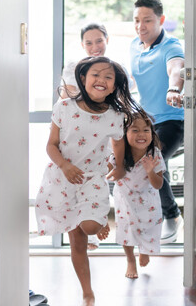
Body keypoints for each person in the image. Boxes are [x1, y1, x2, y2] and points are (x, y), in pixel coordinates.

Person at [35, 56, 140, 306]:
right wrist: (65, 165)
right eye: (96, 74)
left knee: (91, 228)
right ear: (83, 78)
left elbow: (118, 141)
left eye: (108, 77)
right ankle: (87, 292)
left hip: (92, 178)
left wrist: (119, 166)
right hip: (63, 177)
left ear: (114, 86)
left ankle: (98, 218)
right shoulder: (64, 107)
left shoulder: (115, 115)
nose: (101, 80)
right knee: (77, 240)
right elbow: (50, 145)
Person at [58, 23, 128, 250]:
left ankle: (96, 221)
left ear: (107, 40)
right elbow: (66, 93)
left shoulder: (116, 69)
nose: (94, 46)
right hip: (78, 131)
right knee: (76, 179)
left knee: (99, 175)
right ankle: (87, 230)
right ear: (82, 45)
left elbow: (122, 100)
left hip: (105, 129)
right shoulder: (74, 67)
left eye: (99, 41)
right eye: (89, 42)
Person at [128, 0, 184, 244]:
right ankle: (156, 218)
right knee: (155, 162)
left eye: (147, 20)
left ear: (161, 20)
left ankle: (172, 215)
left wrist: (174, 89)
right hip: (146, 121)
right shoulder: (134, 46)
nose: (141, 26)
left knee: (151, 158)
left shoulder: (171, 46)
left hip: (173, 120)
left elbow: (177, 68)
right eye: (137, 20)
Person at [107, 111, 165, 279]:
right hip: (125, 199)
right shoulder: (119, 154)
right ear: (124, 134)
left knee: (149, 227)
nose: (141, 135)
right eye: (135, 130)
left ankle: (145, 250)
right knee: (127, 230)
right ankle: (130, 260)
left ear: (152, 134)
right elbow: (108, 170)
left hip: (149, 200)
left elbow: (158, 184)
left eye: (146, 130)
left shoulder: (154, 154)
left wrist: (150, 171)